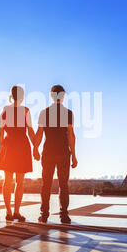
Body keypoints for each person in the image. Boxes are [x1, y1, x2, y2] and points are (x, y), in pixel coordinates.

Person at [33, 85, 78, 224]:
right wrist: (74, 155)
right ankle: (64, 215)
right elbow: (71, 135)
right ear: (63, 96)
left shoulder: (44, 113)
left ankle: (44, 214)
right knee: (63, 184)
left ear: (51, 96)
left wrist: (35, 148)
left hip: (48, 153)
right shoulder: (68, 113)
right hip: (64, 153)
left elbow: (39, 133)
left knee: (46, 184)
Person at [0, 85, 36, 222]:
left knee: (7, 181)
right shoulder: (25, 111)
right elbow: (30, 131)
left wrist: (2, 146)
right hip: (22, 146)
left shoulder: (5, 111)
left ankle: (8, 212)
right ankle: (17, 212)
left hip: (8, 145)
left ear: (12, 96)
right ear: (22, 97)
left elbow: (1, 131)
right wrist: (36, 146)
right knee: (20, 182)